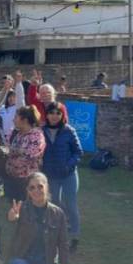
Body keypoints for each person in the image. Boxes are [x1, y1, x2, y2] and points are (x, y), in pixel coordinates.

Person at [6, 172, 70, 264]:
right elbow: (9, 233)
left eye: (40, 186)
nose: (36, 191)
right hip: (24, 260)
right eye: (32, 188)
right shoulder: (21, 209)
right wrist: (12, 219)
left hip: (46, 263)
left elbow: (64, 245)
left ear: (47, 187)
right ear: (27, 191)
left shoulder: (58, 213)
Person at [41, 102, 83, 252]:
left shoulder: (68, 131)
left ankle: (74, 237)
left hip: (68, 175)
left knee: (71, 205)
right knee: (55, 204)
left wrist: (68, 165)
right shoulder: (41, 131)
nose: (54, 116)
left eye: (58, 113)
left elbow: (78, 152)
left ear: (62, 115)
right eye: (51, 112)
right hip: (51, 175)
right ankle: (58, 235)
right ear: (47, 114)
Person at [4, 106, 45, 202]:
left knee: (27, 209)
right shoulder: (17, 134)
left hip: (27, 181)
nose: (13, 120)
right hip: (13, 179)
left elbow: (31, 155)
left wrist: (14, 151)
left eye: (16, 117)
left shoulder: (36, 135)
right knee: (14, 208)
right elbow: (9, 150)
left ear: (25, 120)